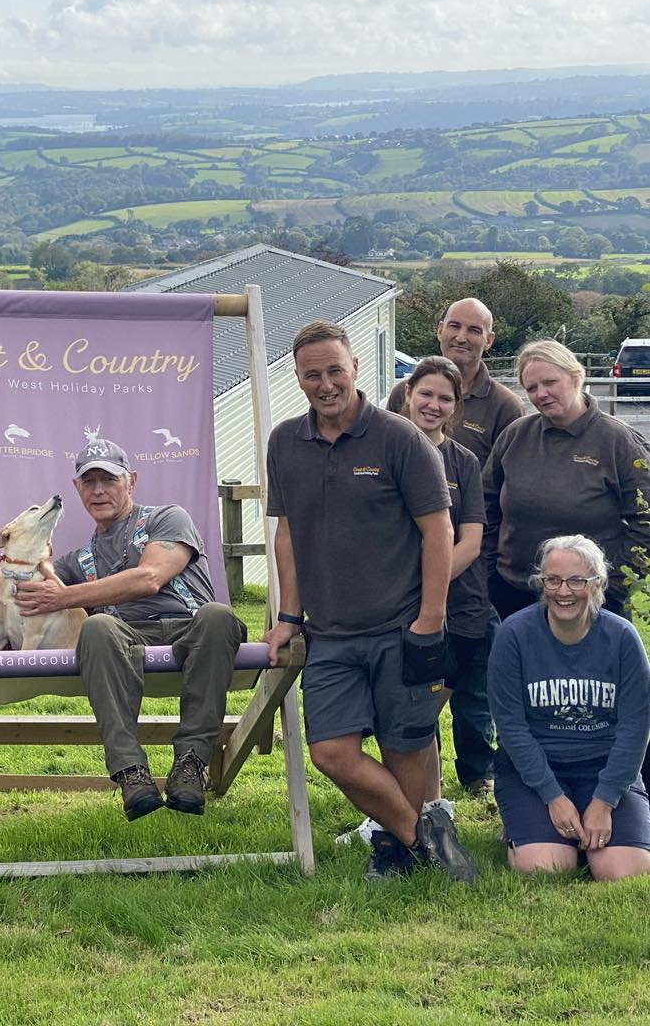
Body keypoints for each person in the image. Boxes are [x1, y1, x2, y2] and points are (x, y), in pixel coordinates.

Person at [264, 320, 478, 882]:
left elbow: (439, 532)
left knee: (405, 746)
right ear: (299, 377)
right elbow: (287, 532)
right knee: (332, 752)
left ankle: (394, 853)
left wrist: (430, 619)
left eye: (335, 369)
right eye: (313, 374)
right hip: (329, 632)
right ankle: (424, 839)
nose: (326, 383)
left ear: (356, 367)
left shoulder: (399, 438)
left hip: (401, 625)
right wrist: (288, 616)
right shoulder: (285, 443)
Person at [0, 436, 246, 822]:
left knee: (218, 615)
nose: (99, 490)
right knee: (98, 627)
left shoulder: (167, 517)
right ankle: (131, 772)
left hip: (195, 629)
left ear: (131, 481)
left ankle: (191, 762)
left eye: (110, 480)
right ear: (77, 488)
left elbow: (149, 577)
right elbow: (16, 580)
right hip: (127, 642)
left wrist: (64, 597)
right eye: (89, 481)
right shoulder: (80, 560)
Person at [487, 534, 650, 881]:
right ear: (541, 583)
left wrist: (605, 801)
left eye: (577, 580)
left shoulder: (622, 639)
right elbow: (511, 727)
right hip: (534, 771)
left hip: (603, 766)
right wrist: (552, 795)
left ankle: (591, 825)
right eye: (553, 580)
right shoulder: (513, 636)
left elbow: (636, 727)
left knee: (623, 872)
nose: (564, 591)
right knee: (547, 867)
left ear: (598, 584)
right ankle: (530, 827)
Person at [483, 339, 650, 620]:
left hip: (591, 601)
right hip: (513, 593)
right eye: (532, 388)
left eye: (550, 382)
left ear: (576, 376)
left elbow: (645, 521)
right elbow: (485, 507)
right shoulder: (515, 436)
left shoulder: (618, 441)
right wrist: (488, 572)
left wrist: (613, 585)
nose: (542, 394)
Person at [401, 357, 495, 796]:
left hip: (462, 606)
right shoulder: (385, 452)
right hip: (400, 607)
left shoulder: (465, 463)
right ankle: (426, 791)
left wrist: (427, 589)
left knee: (470, 700)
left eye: (445, 398)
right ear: (408, 395)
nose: (433, 405)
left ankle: (479, 781)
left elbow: (471, 541)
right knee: (414, 707)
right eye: (426, 394)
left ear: (456, 407)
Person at [387, 297, 524, 467]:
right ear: (440, 330)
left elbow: (508, 479)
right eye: (454, 326)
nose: (460, 337)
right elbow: (386, 455)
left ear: (489, 340)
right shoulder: (404, 392)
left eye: (474, 330)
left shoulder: (506, 407)